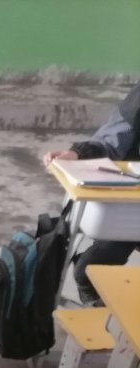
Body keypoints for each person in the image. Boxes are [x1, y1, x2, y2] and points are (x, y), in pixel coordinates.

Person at [43, 83, 140, 305]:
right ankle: (92, 296)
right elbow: (110, 141)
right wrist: (77, 154)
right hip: (133, 209)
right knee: (90, 269)